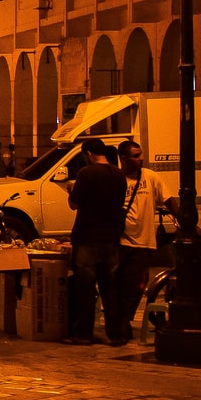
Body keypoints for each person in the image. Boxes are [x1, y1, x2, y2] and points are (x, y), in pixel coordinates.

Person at [66, 137, 127, 345]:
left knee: (85, 288)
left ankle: (83, 333)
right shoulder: (119, 175)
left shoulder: (86, 173)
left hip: (87, 237)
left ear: (89, 154)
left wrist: (70, 190)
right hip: (111, 238)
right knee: (110, 287)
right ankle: (115, 334)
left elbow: (74, 204)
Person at [116, 138, 178, 335]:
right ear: (123, 158)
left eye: (140, 155)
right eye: (136, 156)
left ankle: (124, 321)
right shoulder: (116, 179)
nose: (141, 159)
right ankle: (119, 322)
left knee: (136, 285)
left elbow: (168, 201)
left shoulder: (150, 177)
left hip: (143, 242)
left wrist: (186, 221)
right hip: (120, 241)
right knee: (118, 284)